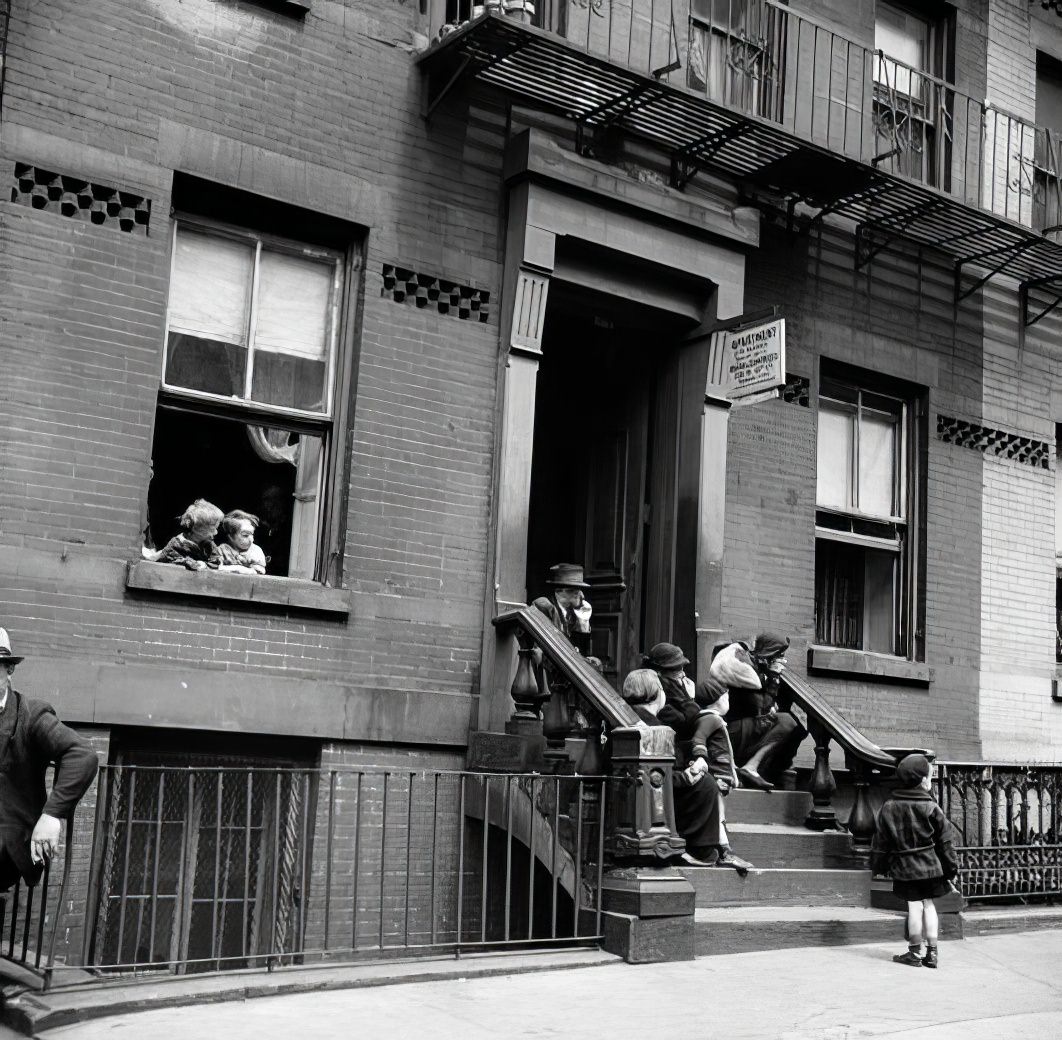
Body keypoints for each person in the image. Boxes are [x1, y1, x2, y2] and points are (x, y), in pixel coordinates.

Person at [628, 659, 752, 873]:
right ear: (657, 694)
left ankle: (716, 849)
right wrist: (686, 777)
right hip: (654, 802)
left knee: (707, 783)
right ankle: (698, 849)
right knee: (707, 785)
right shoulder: (653, 727)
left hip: (655, 789)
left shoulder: (641, 718)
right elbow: (654, 774)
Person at [0, 628, 99, 893]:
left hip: (8, 840)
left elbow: (82, 755)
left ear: (9, 670)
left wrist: (52, 814)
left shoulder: (30, 715)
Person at [870, 753, 959, 970]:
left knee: (914, 908)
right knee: (929, 906)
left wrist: (879, 866)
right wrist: (950, 869)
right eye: (930, 777)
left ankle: (914, 953)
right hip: (930, 867)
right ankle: (932, 954)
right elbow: (946, 842)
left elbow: (881, 842)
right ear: (922, 781)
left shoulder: (889, 807)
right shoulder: (931, 808)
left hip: (905, 868)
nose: (931, 780)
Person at [716, 632, 805, 791]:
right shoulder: (746, 669)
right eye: (779, 656)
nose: (782, 661)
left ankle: (770, 769)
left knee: (798, 728)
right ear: (769, 652)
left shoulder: (757, 667)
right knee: (787, 722)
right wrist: (774, 677)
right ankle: (752, 766)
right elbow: (762, 704)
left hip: (745, 726)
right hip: (734, 730)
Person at [532, 563, 594, 656]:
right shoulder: (544, 606)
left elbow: (582, 650)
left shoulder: (574, 614)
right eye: (574, 591)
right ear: (558, 591)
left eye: (579, 590)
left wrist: (584, 622)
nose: (581, 595)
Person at [154, 499, 224, 571]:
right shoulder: (176, 544)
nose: (216, 532)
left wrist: (205, 565)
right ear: (196, 529)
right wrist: (189, 563)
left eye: (216, 528)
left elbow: (216, 563)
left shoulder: (209, 545)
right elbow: (168, 562)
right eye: (212, 529)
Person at [216, 510, 268, 574]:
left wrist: (239, 569)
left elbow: (259, 572)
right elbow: (215, 568)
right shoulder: (221, 550)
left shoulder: (256, 551)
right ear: (231, 537)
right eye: (245, 535)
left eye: (252, 534)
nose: (251, 539)